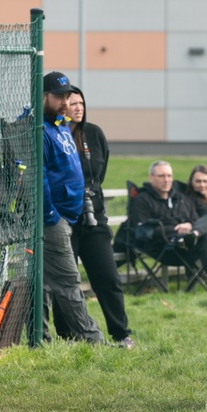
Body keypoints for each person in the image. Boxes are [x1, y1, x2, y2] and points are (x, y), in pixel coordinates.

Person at [60, 87, 133, 348]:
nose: (78, 108)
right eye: (72, 103)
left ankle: (121, 333)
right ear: (61, 106)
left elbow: (98, 175)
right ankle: (67, 335)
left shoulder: (94, 133)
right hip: (64, 218)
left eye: (81, 103)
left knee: (108, 277)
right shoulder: (53, 133)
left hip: (94, 216)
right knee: (66, 280)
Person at [39, 72, 105, 344]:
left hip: (68, 214)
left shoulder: (61, 125)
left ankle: (39, 340)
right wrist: (51, 215)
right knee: (68, 280)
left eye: (68, 96)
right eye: (59, 97)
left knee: (43, 283)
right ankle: (92, 340)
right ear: (43, 96)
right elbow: (38, 176)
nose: (65, 102)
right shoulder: (39, 129)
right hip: (53, 219)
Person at [129, 161, 207, 292]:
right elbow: (142, 230)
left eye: (169, 176)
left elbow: (195, 218)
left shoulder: (180, 198)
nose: (166, 180)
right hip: (162, 248)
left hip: (186, 245)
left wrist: (190, 225)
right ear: (151, 177)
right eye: (161, 176)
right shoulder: (142, 200)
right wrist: (173, 229)